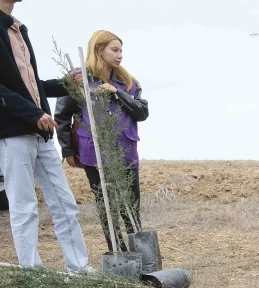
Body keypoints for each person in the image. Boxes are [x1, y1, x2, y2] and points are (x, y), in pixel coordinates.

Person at [0, 0, 90, 272]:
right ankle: (33, 277)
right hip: (14, 133)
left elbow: (31, 85)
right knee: (23, 208)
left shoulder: (19, 29)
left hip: (42, 133)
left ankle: (79, 269)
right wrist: (31, 113)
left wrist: (65, 83)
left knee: (65, 203)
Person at [56, 30, 149, 253]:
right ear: (99, 50)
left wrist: (116, 92)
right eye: (114, 50)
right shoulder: (79, 79)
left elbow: (142, 112)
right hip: (93, 152)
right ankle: (117, 252)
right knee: (107, 206)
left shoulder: (128, 83)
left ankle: (140, 254)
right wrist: (68, 149)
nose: (119, 55)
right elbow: (61, 115)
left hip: (125, 151)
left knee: (131, 206)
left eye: (121, 51)